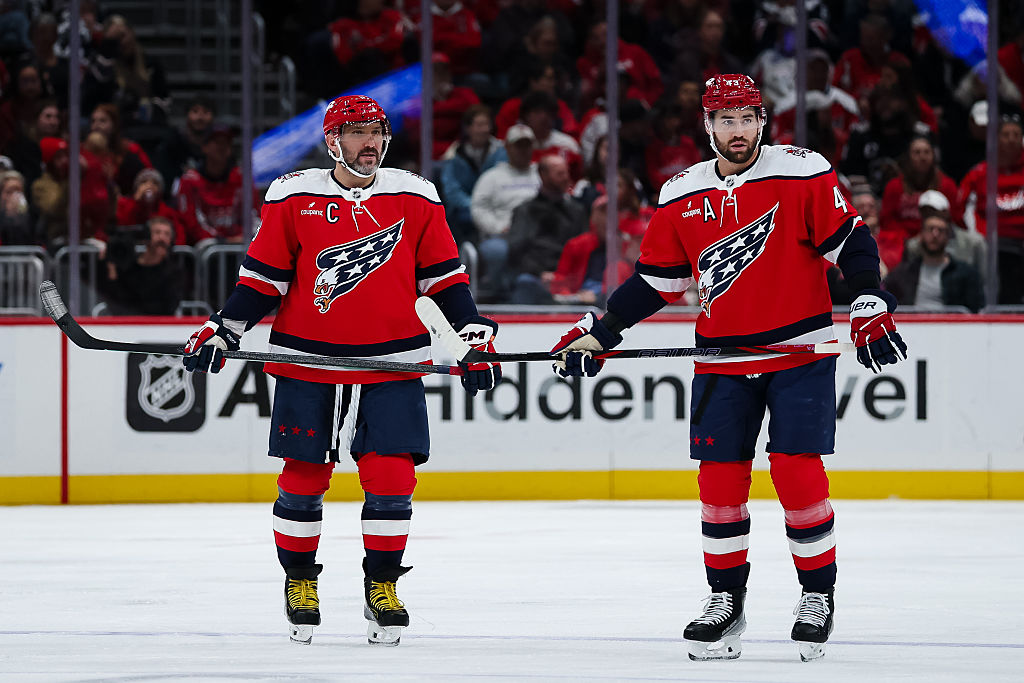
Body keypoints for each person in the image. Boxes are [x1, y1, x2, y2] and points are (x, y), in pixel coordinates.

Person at [549, 75, 908, 663]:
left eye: (747, 118)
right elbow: (657, 281)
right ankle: (725, 601)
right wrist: (601, 330)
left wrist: (868, 299)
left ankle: (817, 595)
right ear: (707, 125)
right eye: (726, 120)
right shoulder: (681, 192)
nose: (738, 130)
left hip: (800, 353)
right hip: (723, 358)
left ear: (762, 121)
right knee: (719, 484)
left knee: (796, 472)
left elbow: (851, 241)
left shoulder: (801, 171)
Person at [180, 95, 501, 647]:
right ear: (333, 141)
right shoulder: (293, 195)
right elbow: (264, 281)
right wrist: (225, 328)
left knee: (393, 479)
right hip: (309, 361)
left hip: (392, 360)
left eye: (377, 131)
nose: (371, 142)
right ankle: (300, 583)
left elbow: (444, 280)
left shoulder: (416, 195)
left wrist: (472, 335)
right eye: (357, 133)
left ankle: (383, 587)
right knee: (304, 481)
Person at [506, 154, 587, 304]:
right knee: (525, 284)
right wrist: (540, 273)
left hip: (570, 278)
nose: (566, 178)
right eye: (559, 174)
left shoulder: (577, 211)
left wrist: (565, 275)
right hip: (535, 276)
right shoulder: (525, 210)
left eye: (566, 172)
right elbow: (516, 250)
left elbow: (583, 248)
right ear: (543, 175)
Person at [882, 208, 985, 313]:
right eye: (930, 229)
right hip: (912, 326)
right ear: (921, 234)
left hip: (951, 326)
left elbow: (976, 309)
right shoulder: (902, 274)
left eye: (940, 230)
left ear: (948, 236)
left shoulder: (966, 274)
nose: (935, 234)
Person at [100, 215, 183, 315]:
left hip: (160, 326)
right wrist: (111, 265)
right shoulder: (129, 268)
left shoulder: (174, 272)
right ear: (146, 236)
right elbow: (116, 301)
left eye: (167, 234)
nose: (162, 238)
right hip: (128, 324)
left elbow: (169, 307)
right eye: (157, 233)